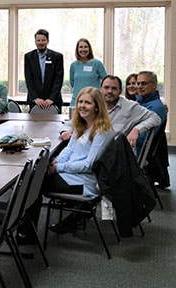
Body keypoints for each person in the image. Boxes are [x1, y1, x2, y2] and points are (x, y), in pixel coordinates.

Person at [19, 87, 114, 241]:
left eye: (87, 103)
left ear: (97, 106)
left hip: (84, 182)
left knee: (34, 182)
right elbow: (68, 150)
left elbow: (88, 164)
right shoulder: (81, 125)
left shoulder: (102, 131)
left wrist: (58, 168)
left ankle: (25, 231)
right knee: (33, 177)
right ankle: (24, 227)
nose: (82, 106)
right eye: (80, 102)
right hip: (69, 174)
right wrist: (56, 161)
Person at [60, 75, 160, 152]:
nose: (109, 91)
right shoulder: (93, 104)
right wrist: (65, 131)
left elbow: (155, 118)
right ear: (100, 89)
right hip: (89, 151)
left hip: (112, 159)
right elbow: (72, 122)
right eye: (106, 87)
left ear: (120, 91)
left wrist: (136, 130)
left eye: (114, 88)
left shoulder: (130, 107)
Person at [135, 71, 169, 187]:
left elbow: (142, 139)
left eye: (143, 83)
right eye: (138, 83)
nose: (139, 87)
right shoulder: (142, 102)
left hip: (137, 151)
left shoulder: (155, 107)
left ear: (154, 85)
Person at [24, 29, 64, 112]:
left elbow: (58, 79)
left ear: (48, 41)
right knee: (34, 124)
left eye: (43, 40)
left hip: (53, 101)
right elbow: (29, 79)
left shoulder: (57, 57)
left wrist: (51, 98)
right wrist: (36, 98)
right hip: (36, 101)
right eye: (38, 40)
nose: (40, 43)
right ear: (35, 41)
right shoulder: (29, 57)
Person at [69, 38, 107, 107]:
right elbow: (72, 83)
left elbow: (106, 81)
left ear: (89, 49)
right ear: (77, 50)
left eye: (86, 47)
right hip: (76, 101)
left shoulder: (97, 64)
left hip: (93, 101)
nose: (83, 49)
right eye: (80, 47)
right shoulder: (73, 65)